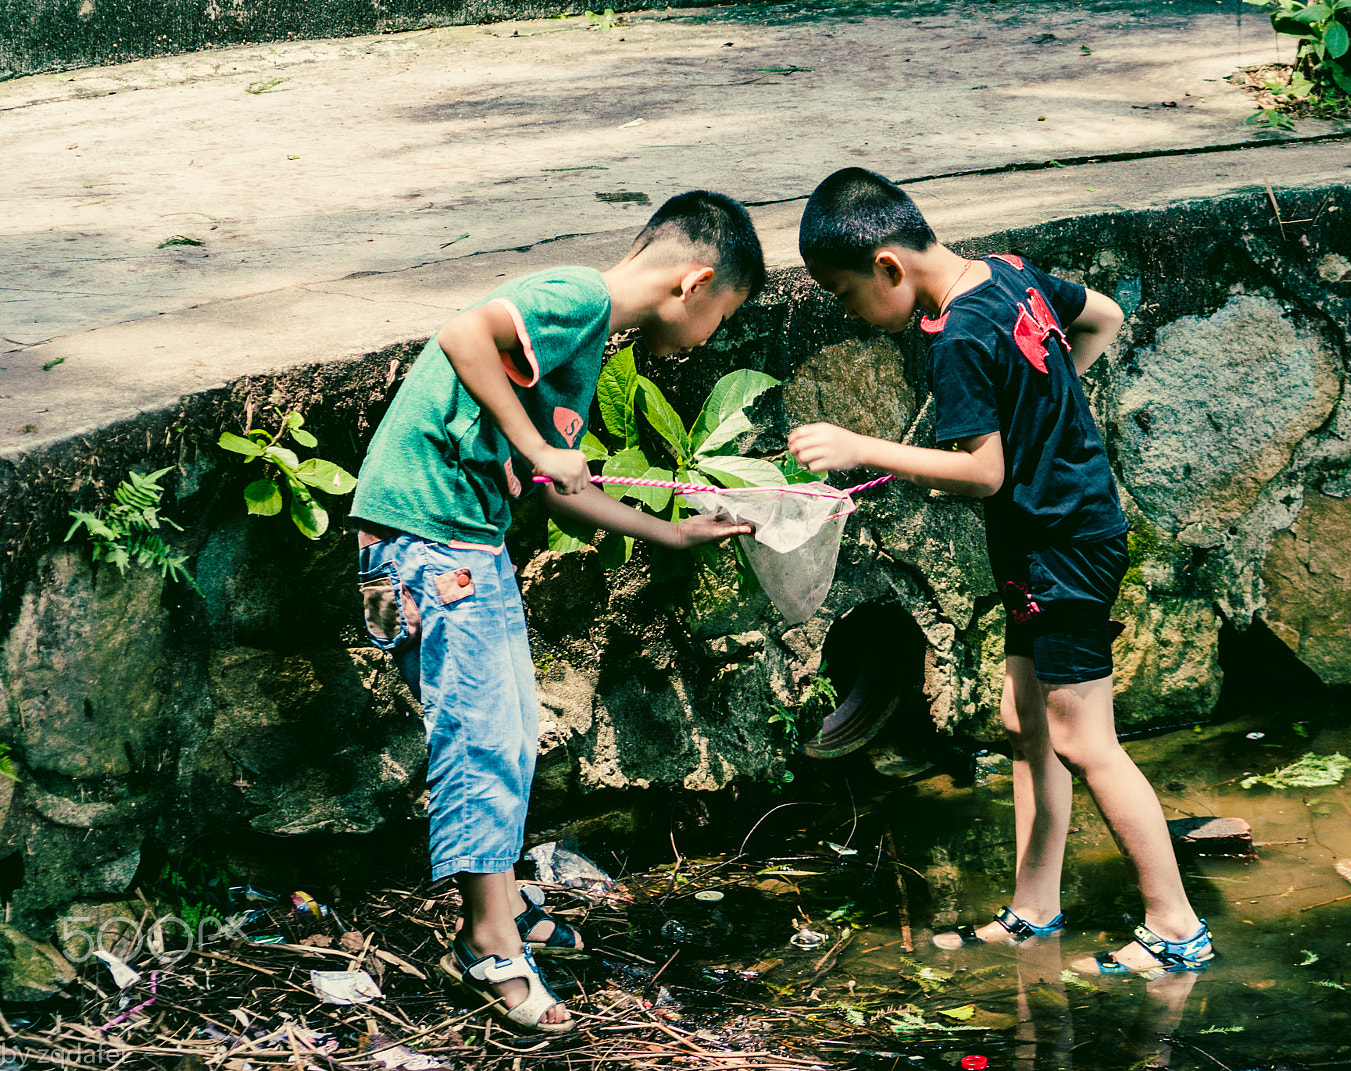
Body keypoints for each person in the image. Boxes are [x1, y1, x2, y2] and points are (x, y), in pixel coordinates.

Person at [350, 191, 762, 1031]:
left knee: (509, 727)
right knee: (484, 734)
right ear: (697, 282)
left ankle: (504, 909)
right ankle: (489, 947)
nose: (712, 335)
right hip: (429, 538)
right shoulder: (577, 295)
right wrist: (538, 444)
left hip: (465, 539)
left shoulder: (581, 356)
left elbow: (565, 495)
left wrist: (670, 533)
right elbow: (463, 333)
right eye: (724, 314)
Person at [787, 168, 1212, 976]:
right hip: (1045, 544)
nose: (853, 314)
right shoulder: (1011, 274)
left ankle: (1176, 925)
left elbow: (982, 473)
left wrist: (860, 447)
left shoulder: (955, 335)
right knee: (1026, 729)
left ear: (888, 267)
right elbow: (1105, 318)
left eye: (846, 296)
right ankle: (1033, 908)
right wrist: (1048, 409)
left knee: (1086, 742)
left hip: (1065, 546)